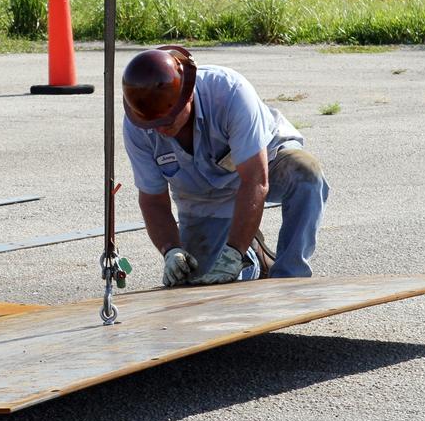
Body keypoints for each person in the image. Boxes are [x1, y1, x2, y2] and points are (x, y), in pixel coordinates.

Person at [121, 45, 329, 287]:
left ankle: (289, 278)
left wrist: (233, 253)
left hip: (264, 165)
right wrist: (170, 250)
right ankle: (256, 257)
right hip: (204, 198)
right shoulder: (137, 126)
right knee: (197, 283)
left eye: (166, 120)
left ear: (187, 95)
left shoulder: (229, 92)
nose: (159, 130)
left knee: (306, 174)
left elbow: (256, 180)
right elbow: (153, 200)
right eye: (151, 124)